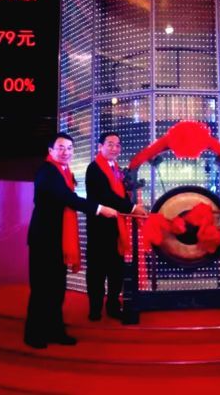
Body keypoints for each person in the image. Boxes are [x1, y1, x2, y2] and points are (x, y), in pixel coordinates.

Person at [24, 132, 118, 349]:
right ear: (50, 150)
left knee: (57, 289)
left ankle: (55, 330)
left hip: (58, 240)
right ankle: (33, 334)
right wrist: (99, 208)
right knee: (42, 289)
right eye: (61, 147)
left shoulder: (64, 172)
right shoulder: (48, 172)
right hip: (44, 239)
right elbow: (67, 198)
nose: (65, 152)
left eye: (69, 148)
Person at [86, 132, 147, 321]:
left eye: (117, 145)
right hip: (99, 228)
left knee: (116, 270)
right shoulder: (94, 168)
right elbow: (106, 196)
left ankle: (113, 305)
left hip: (117, 226)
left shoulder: (116, 169)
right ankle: (95, 308)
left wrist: (132, 193)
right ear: (100, 147)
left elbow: (120, 194)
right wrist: (132, 207)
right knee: (97, 271)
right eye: (110, 144)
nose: (115, 148)